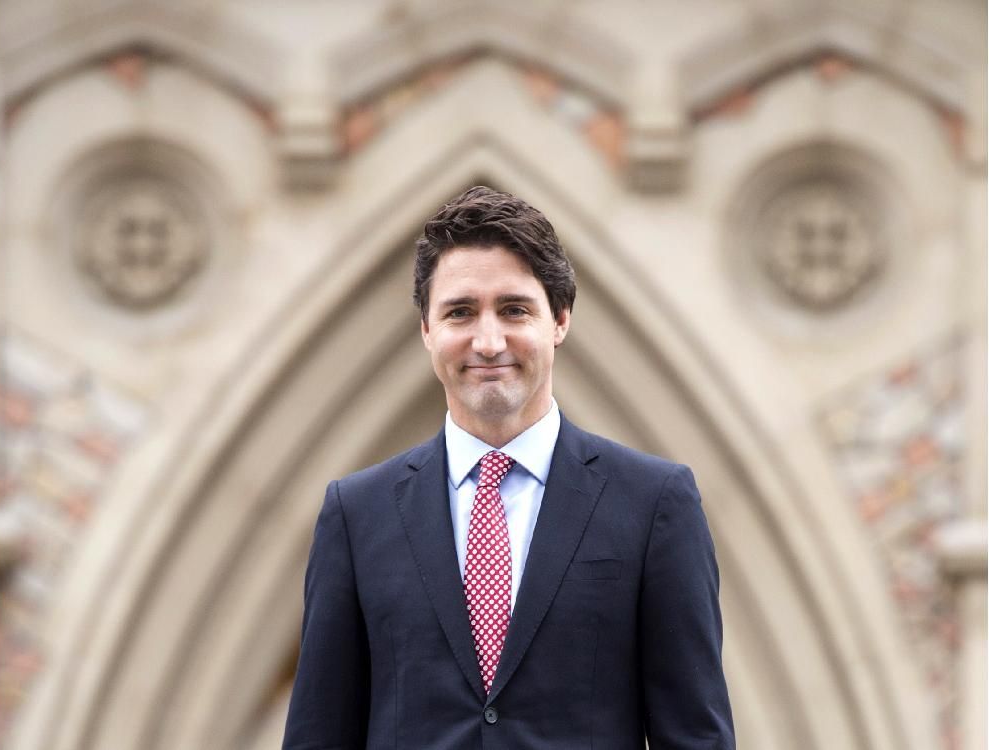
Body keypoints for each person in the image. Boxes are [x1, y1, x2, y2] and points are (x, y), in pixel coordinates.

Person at [282, 186, 735, 749]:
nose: (489, 340)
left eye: (514, 309)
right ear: (427, 330)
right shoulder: (356, 514)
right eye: (460, 312)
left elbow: (695, 737)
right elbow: (318, 735)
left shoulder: (654, 503)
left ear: (560, 320)